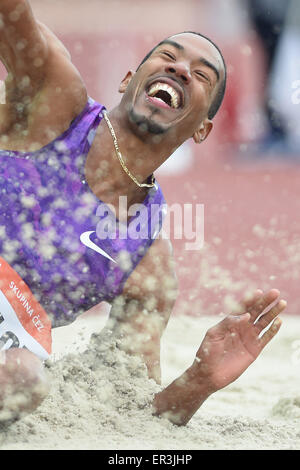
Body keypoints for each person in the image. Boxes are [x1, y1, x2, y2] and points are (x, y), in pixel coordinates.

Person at [0, 0, 286, 426]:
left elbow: (126, 410)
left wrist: (199, 381)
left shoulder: (146, 265)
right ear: (128, 80)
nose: (181, 69)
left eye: (201, 74)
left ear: (203, 129)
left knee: (23, 379)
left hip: (9, 353)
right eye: (168, 56)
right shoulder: (54, 100)